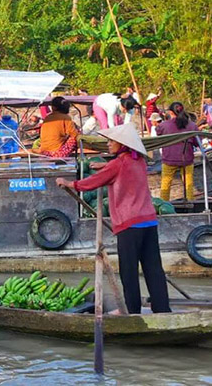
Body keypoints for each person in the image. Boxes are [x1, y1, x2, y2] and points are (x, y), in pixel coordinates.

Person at [56, 124, 170, 315]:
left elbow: (93, 182)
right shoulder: (138, 160)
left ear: (122, 144)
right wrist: (105, 166)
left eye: (111, 141)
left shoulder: (119, 164)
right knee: (153, 268)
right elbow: (118, 169)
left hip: (130, 224)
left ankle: (131, 311)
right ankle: (163, 309)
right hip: (149, 222)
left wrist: (69, 183)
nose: (108, 144)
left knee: (129, 271)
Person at [156, 102, 198, 201]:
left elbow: (158, 135)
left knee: (165, 186)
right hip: (186, 159)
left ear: (170, 112)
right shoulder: (192, 126)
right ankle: (190, 205)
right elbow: (197, 142)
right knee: (188, 185)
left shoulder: (163, 125)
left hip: (169, 159)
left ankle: (164, 206)